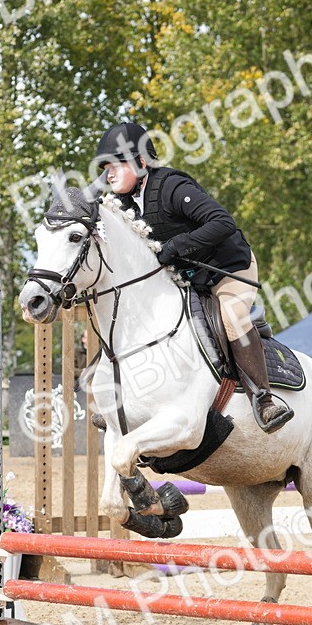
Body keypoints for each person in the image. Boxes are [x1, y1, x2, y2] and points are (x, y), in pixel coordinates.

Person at [93, 122, 293, 434]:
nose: (109, 174)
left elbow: (222, 222)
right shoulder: (125, 204)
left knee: (232, 316)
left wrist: (175, 246)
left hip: (227, 268)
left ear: (141, 162)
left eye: (115, 165)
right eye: (105, 168)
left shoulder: (172, 187)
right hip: (187, 277)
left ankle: (264, 399)